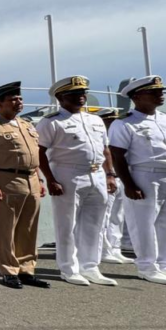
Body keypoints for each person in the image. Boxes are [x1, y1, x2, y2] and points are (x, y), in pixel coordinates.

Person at [36, 75, 118, 286]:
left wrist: (110, 174)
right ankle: (69, 268)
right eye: (74, 94)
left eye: (82, 93)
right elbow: (40, 151)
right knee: (67, 224)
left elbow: (105, 149)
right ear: (61, 97)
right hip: (67, 174)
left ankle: (90, 266)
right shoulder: (51, 121)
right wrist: (50, 179)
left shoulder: (95, 120)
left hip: (97, 174)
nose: (81, 97)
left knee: (94, 223)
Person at [0, 81, 50, 290]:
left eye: (20, 99)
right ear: (0, 103)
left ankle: (26, 269)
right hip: (6, 180)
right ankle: (8, 270)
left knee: (28, 227)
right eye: (13, 99)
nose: (18, 102)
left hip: (31, 180)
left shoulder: (27, 125)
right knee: (5, 228)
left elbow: (33, 156)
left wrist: (40, 179)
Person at [108, 75, 166, 284]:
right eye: (155, 92)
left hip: (165, 174)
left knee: (164, 223)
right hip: (144, 174)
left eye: (161, 91)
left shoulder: (164, 119)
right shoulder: (125, 123)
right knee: (143, 224)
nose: (161, 95)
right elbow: (117, 155)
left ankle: (164, 264)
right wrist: (130, 184)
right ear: (138, 96)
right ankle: (147, 266)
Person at [96, 109, 131, 264]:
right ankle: (104, 250)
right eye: (109, 121)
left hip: (120, 178)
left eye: (114, 121)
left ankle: (115, 248)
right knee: (105, 215)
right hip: (105, 178)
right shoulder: (99, 137)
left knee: (117, 216)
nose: (112, 124)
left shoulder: (118, 137)